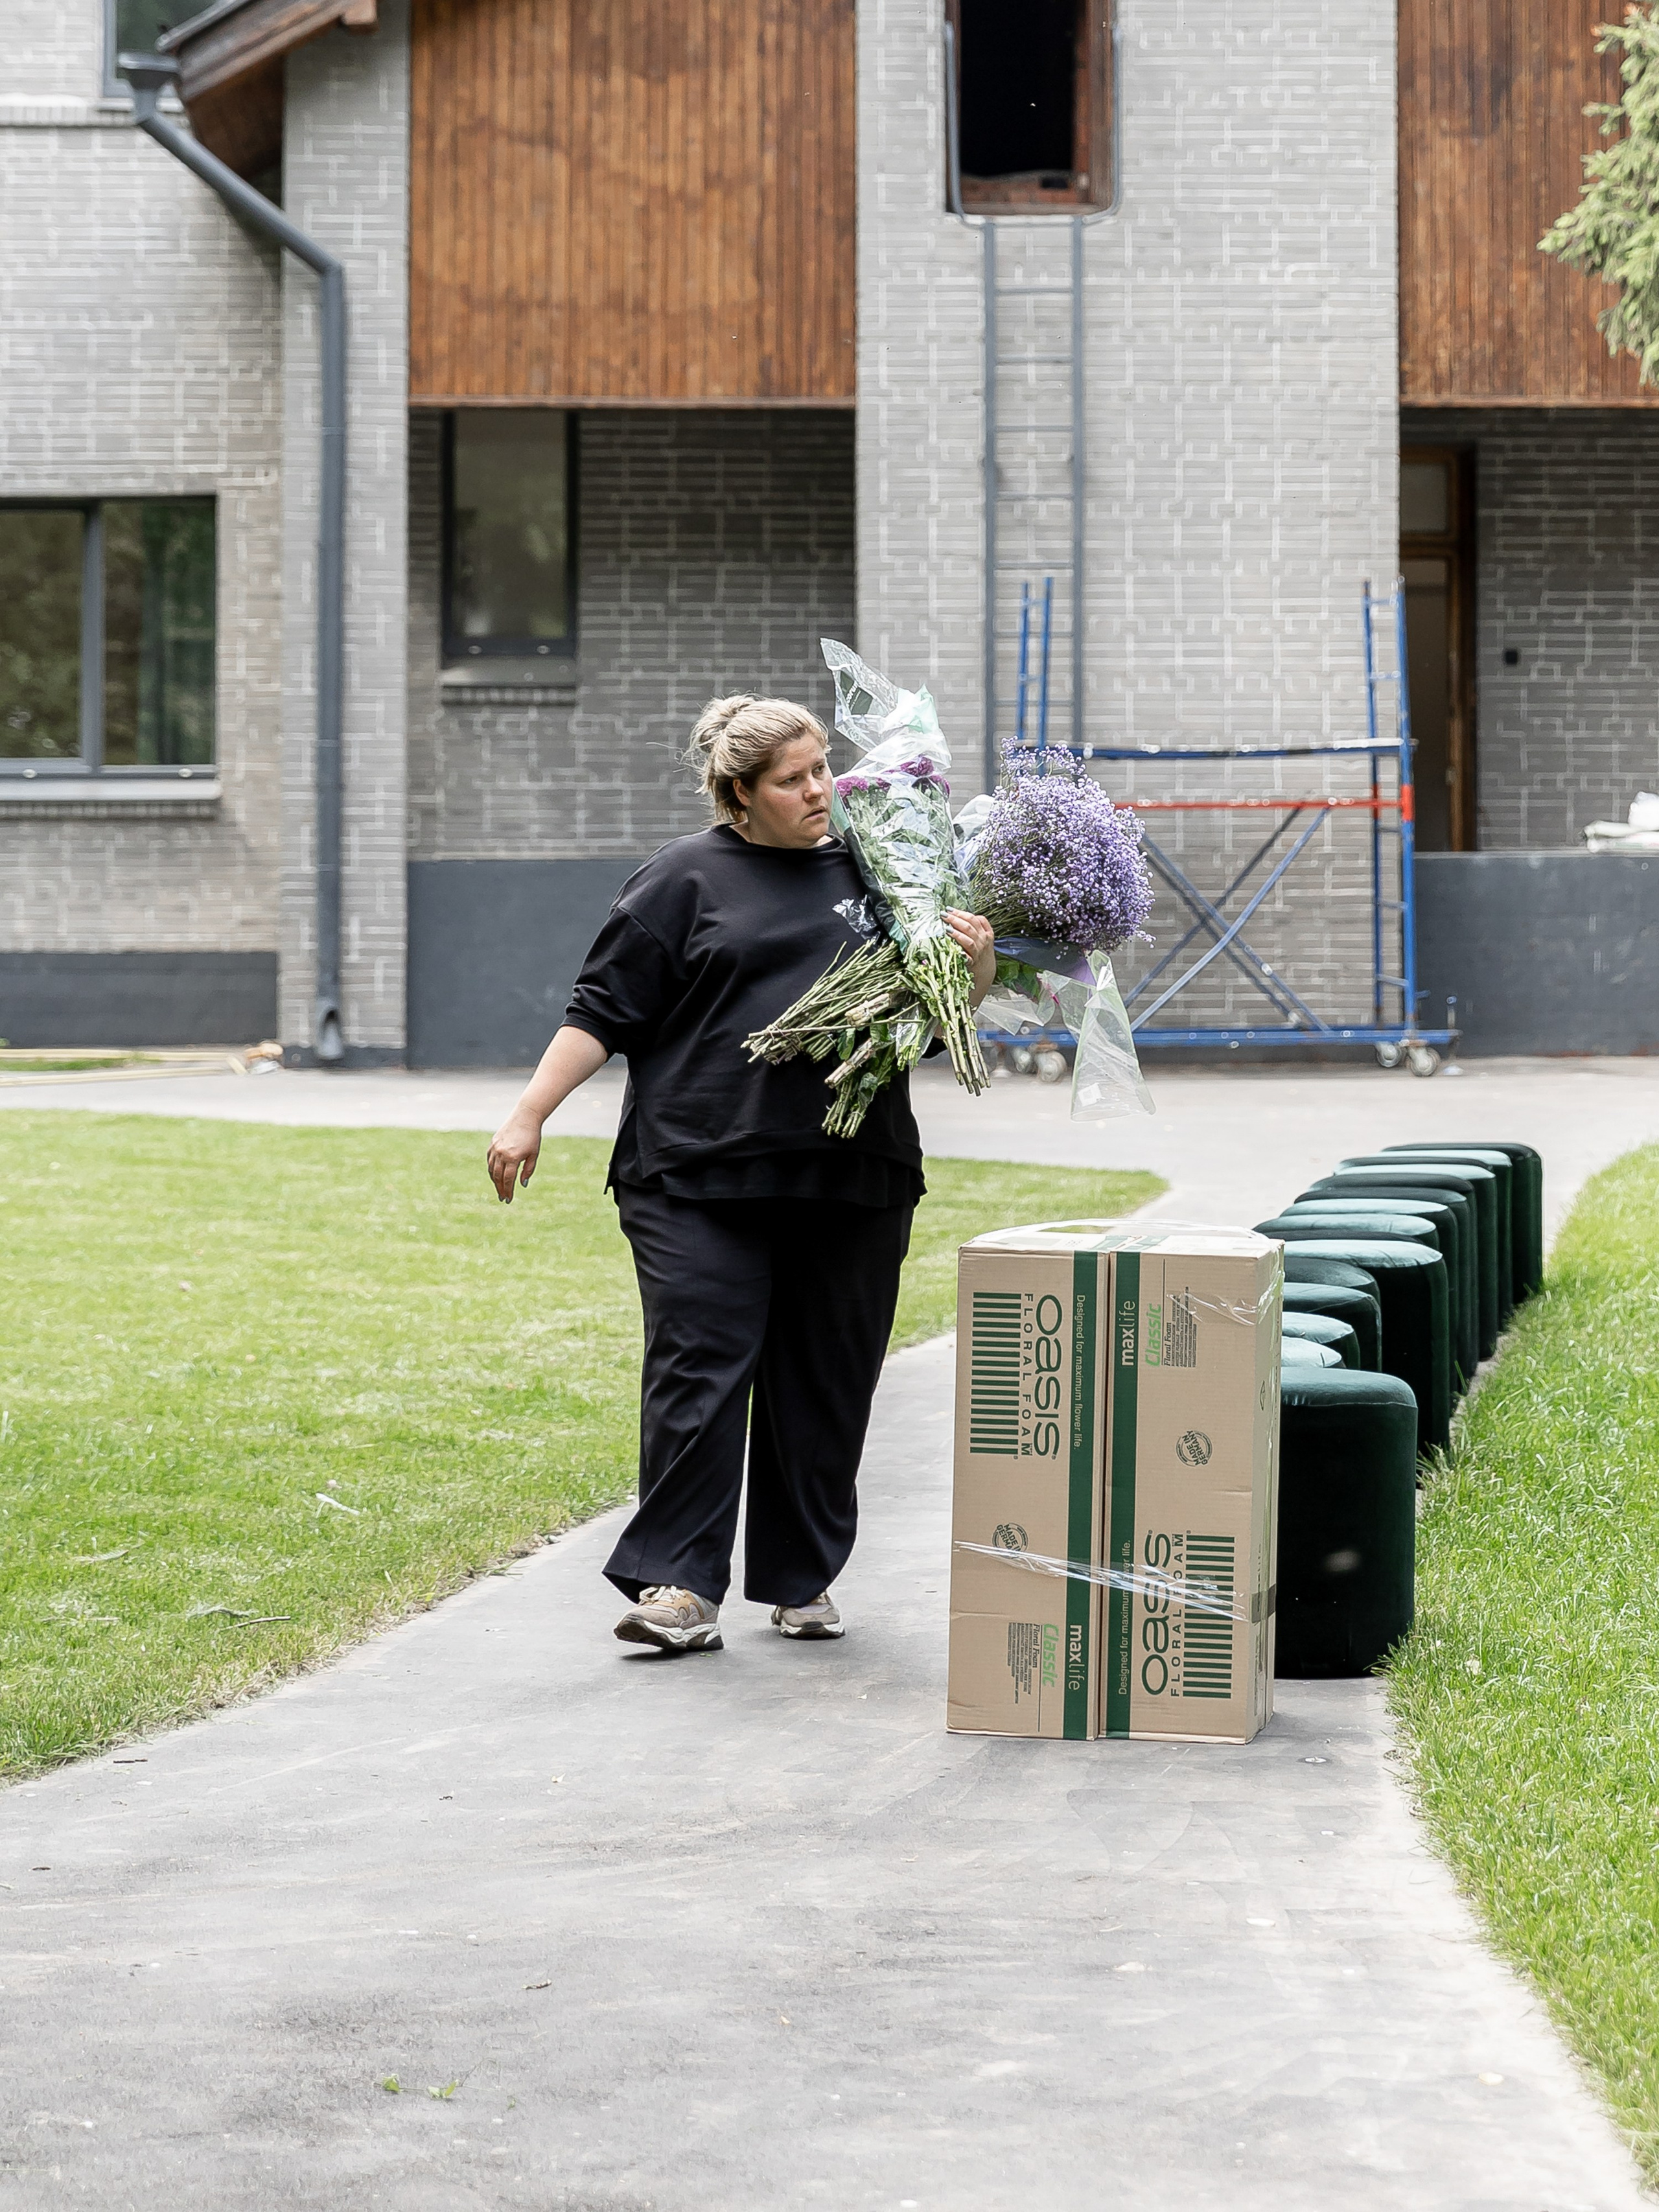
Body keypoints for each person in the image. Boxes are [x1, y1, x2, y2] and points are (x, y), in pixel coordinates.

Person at [487, 694, 995, 1655]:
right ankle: (681, 1586)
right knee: (701, 1370)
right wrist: (529, 1113)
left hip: (852, 1176)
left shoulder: (885, 874)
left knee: (827, 1381)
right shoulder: (682, 878)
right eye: (793, 780)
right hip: (697, 1173)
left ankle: (802, 1578)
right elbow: (602, 1009)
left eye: (822, 768)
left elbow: (926, 1027)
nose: (819, 790)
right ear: (739, 795)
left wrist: (973, 968)